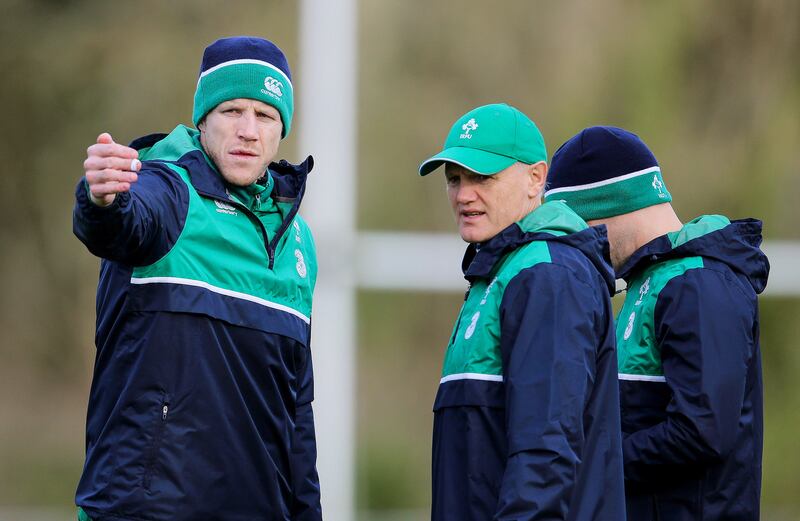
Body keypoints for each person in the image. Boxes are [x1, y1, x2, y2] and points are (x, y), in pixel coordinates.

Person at [73, 36, 322, 521]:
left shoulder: (298, 243)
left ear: (281, 130)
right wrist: (101, 198)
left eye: (264, 115)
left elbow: (297, 408)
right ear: (203, 119)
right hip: (145, 511)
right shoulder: (167, 191)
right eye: (232, 111)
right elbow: (121, 221)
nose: (248, 130)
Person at [544, 126, 769, 520]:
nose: (579, 251)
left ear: (606, 212)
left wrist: (591, 463)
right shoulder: (648, 283)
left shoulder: (698, 283)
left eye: (579, 233)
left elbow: (701, 432)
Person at [418, 104, 626, 520]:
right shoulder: (501, 274)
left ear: (536, 178)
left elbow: (545, 454)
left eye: (482, 177)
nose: (463, 195)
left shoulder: (548, 274)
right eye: (454, 179)